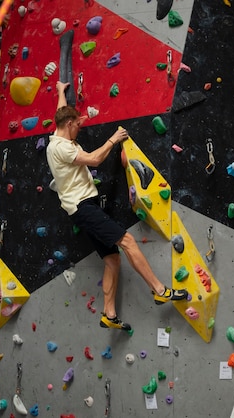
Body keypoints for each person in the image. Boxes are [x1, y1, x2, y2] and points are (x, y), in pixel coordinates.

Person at [46, 80, 188, 331]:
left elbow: (61, 114)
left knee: (112, 259)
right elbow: (93, 159)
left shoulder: (56, 134)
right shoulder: (62, 148)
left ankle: (108, 315)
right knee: (128, 241)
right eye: (77, 125)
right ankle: (160, 290)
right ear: (69, 125)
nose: (79, 128)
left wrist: (60, 91)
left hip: (81, 208)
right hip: (83, 207)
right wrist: (113, 139)